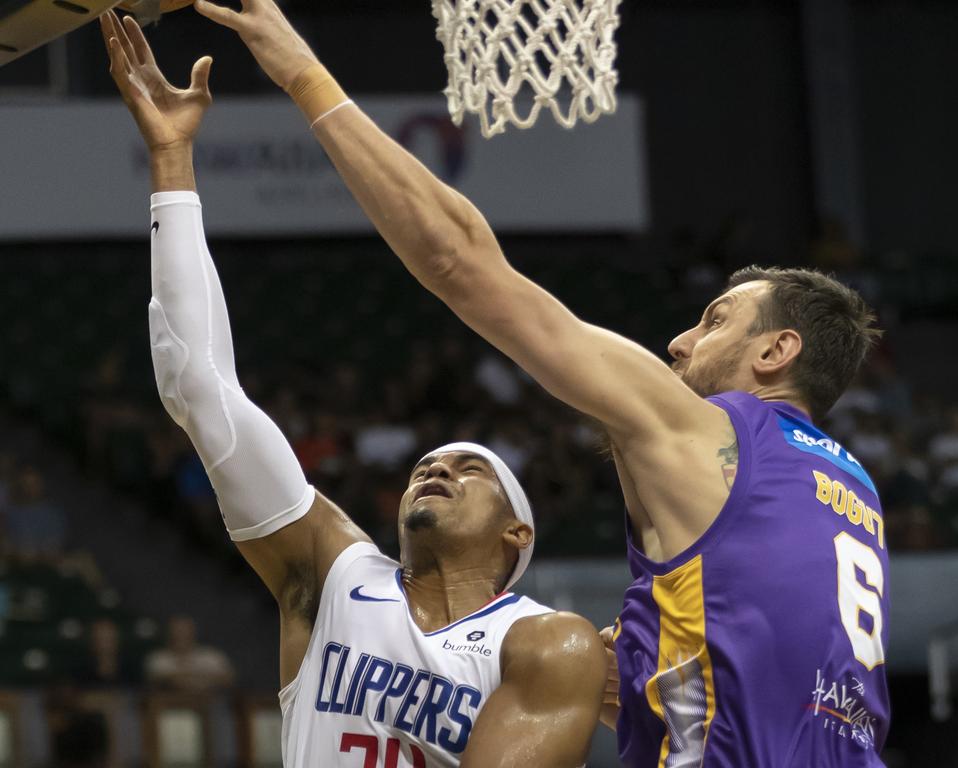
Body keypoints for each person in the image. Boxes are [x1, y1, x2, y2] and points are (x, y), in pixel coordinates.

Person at [186, 1, 892, 764]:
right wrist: (641, 664)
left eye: (715, 321)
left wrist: (301, 72)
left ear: (776, 351)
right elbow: (769, 645)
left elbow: (462, 265)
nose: (681, 342)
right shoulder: (853, 492)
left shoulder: (705, 431)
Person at [99, 11, 605, 767]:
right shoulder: (334, 573)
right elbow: (199, 387)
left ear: (517, 537)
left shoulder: (543, 639)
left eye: (473, 470)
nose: (437, 468)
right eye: (430, 463)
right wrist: (171, 158)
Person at [145, 615, 235, 693]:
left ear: (193, 632)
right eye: (176, 631)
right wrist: (202, 678)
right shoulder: (158, 658)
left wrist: (182, 677)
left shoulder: (211, 655)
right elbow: (155, 679)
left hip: (210, 704)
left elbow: (229, 678)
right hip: (169, 705)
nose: (181, 635)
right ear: (169, 633)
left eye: (185, 631)